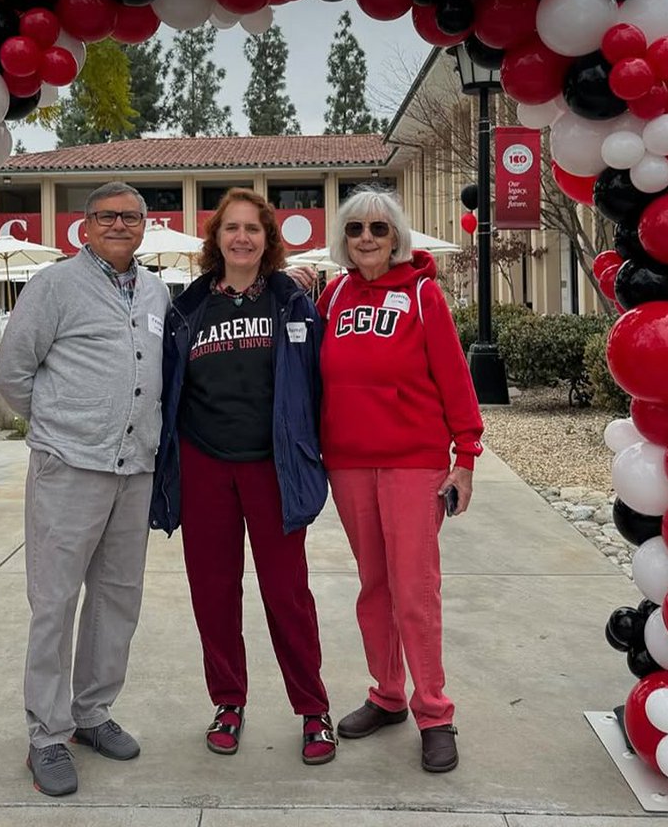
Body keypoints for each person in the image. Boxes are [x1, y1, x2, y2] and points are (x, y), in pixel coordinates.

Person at [0, 181, 169, 797]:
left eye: (131, 216)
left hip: (135, 468)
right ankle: (47, 733)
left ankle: (92, 712)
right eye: (107, 216)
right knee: (55, 601)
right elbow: (11, 371)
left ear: (144, 226)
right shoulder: (53, 286)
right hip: (69, 467)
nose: (120, 225)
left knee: (118, 598)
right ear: (85, 226)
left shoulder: (156, 291)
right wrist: (59, 425)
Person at [151, 188, 336, 764]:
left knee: (287, 594)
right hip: (204, 464)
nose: (241, 238)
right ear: (216, 238)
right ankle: (228, 701)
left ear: (268, 238)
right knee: (213, 593)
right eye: (231, 227)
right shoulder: (187, 308)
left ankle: (313, 709)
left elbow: (319, 384)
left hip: (273, 466)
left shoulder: (292, 303)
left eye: (253, 228)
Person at [316, 186, 483, 775]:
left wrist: (466, 457)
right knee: (375, 586)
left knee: (414, 589)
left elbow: (455, 378)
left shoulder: (421, 293)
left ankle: (434, 712)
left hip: (414, 462)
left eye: (378, 229)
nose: (366, 238)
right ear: (344, 239)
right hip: (348, 463)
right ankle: (388, 694)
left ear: (396, 238)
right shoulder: (333, 295)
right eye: (355, 229)